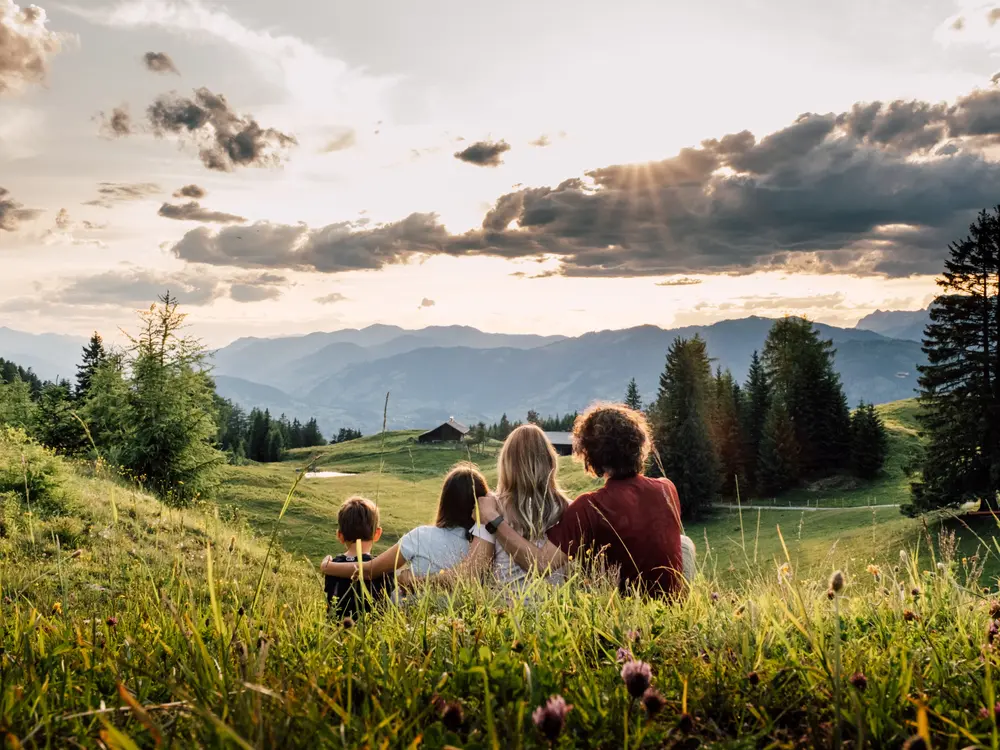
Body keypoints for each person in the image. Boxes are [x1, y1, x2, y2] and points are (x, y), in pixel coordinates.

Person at [476, 403, 695, 598]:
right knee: (685, 543)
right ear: (639, 444)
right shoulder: (667, 488)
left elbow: (541, 565)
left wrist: (493, 520)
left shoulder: (590, 508)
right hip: (673, 613)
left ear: (589, 454)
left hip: (627, 622)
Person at [321, 463, 496, 585]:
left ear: (445, 502)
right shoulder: (487, 543)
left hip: (414, 621)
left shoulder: (420, 536)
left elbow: (370, 570)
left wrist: (328, 566)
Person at [321, 496, 393, 618]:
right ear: (377, 534)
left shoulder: (333, 565)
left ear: (340, 535)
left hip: (336, 629)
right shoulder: (382, 567)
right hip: (375, 631)